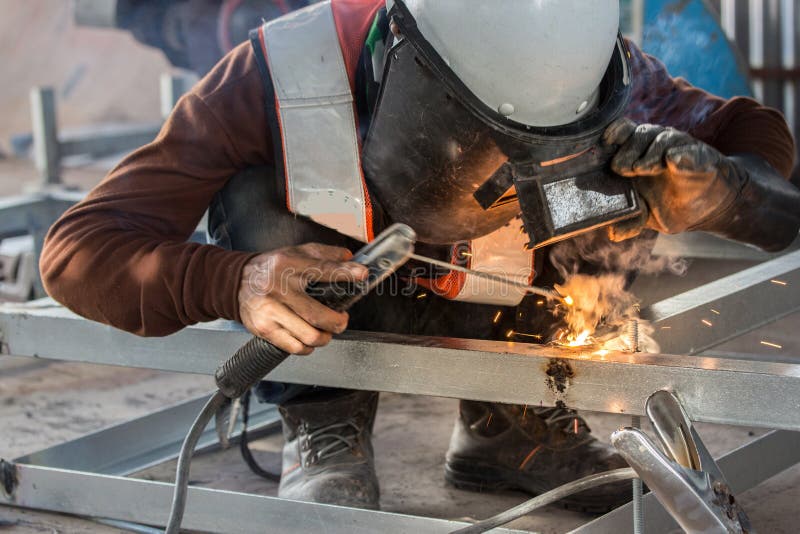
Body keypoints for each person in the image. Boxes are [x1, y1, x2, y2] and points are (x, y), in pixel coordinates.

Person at [41, 0, 800, 513]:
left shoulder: (600, 73)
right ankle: (323, 421)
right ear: (402, 67)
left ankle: (514, 426)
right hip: (339, 297)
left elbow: (751, 130)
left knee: (618, 186)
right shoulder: (276, 73)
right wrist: (234, 278)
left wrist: (723, 187)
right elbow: (76, 253)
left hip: (506, 300)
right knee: (254, 197)